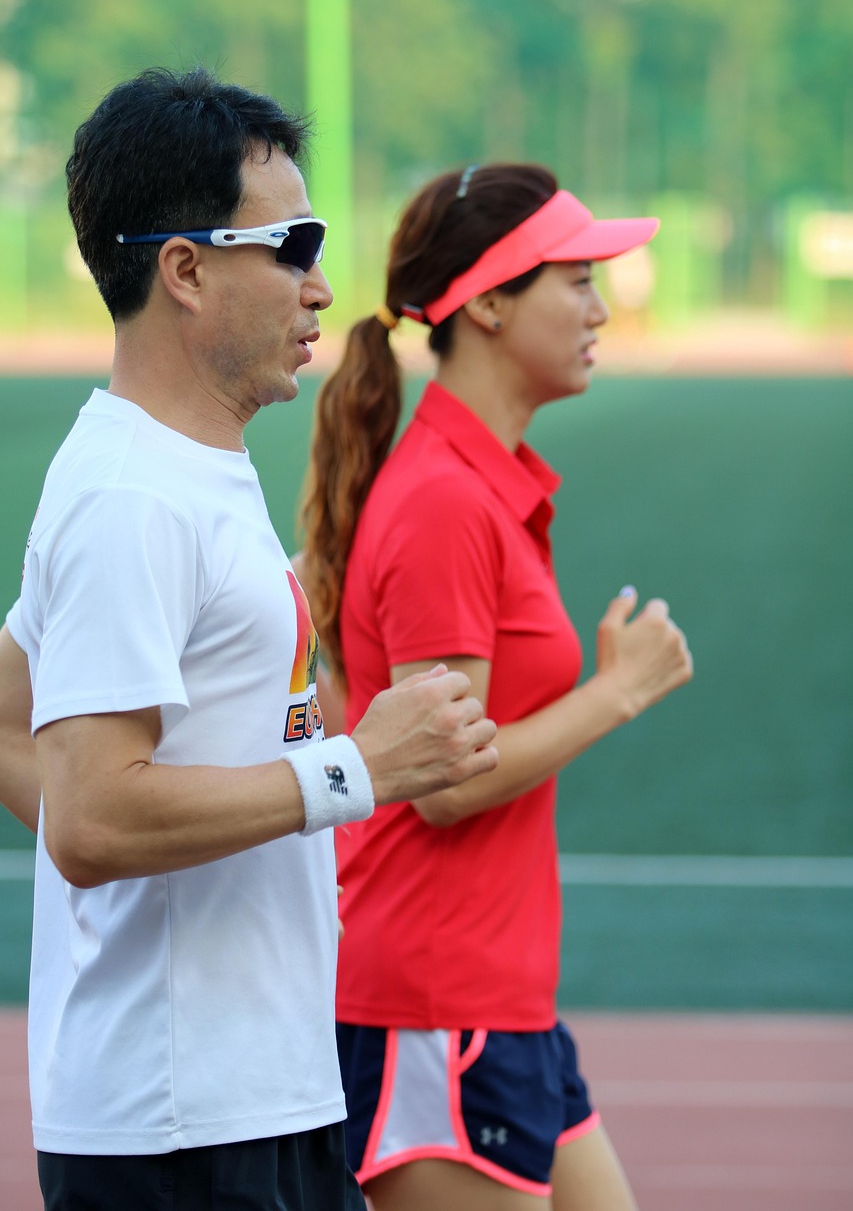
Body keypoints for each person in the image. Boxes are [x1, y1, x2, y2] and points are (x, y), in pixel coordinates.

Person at [0, 69, 499, 1211]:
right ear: (183, 269)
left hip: (247, 1097)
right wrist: (357, 768)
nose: (320, 286)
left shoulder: (178, 469)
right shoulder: (132, 496)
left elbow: (10, 713)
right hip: (181, 1127)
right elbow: (93, 819)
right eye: (292, 246)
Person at [299, 163, 694, 1211]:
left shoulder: (479, 483)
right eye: (576, 280)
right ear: (487, 303)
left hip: (494, 1003)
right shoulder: (444, 500)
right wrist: (617, 690)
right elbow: (444, 778)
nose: (600, 308)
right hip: (434, 1006)